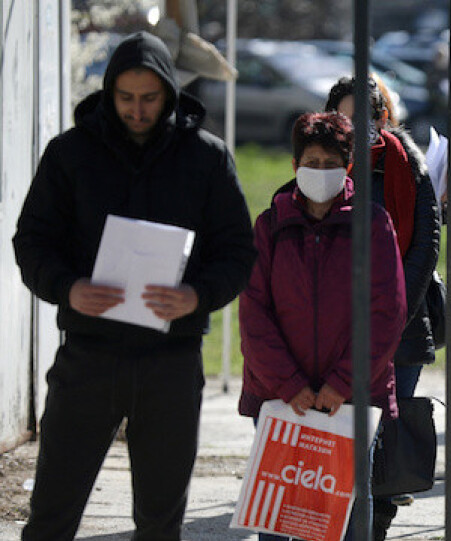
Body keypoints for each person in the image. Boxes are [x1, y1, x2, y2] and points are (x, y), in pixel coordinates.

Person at [12, 31, 256, 541]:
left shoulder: (207, 157)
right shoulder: (69, 154)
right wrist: (67, 287)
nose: (138, 110)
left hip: (172, 360)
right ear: (108, 92)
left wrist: (199, 295)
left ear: (168, 92)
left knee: (161, 521)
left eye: (149, 98)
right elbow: (32, 241)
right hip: (88, 355)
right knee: (52, 512)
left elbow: (238, 251)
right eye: (125, 98)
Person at [238, 111, 407, 541]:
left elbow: (386, 312)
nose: (321, 171)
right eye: (311, 162)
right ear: (294, 167)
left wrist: (342, 382)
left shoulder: (372, 224)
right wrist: (289, 383)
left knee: (348, 516)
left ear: (348, 166)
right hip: (281, 401)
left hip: (351, 399)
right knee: (278, 519)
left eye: (331, 163)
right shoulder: (270, 225)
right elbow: (254, 314)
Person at [324, 75, 441, 539]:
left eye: (365, 116)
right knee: (341, 439)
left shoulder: (409, 165)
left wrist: (394, 314)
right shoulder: (321, 165)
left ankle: (376, 529)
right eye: (344, 115)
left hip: (402, 327)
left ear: (383, 118)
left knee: (386, 439)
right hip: (336, 329)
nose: (355, 124)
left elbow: (426, 245)